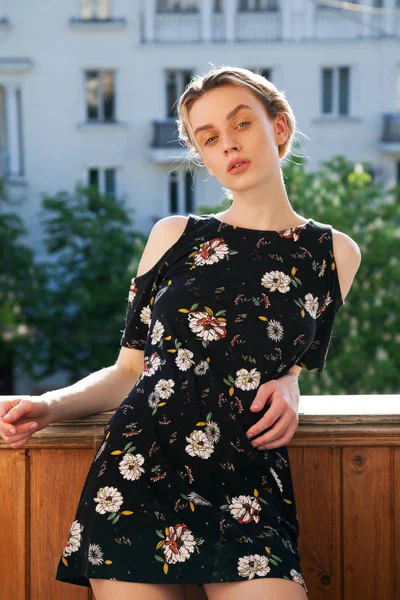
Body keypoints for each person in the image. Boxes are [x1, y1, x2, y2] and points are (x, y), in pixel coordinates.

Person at [0, 66, 361, 600]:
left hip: (248, 484)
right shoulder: (174, 236)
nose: (228, 145)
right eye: (209, 138)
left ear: (279, 127)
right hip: (140, 471)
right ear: (202, 155)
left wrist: (290, 383)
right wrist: (49, 405)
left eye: (242, 124)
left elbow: (287, 360)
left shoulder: (334, 253)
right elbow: (130, 371)